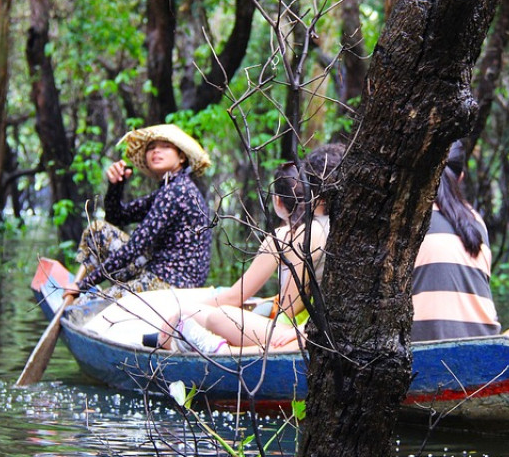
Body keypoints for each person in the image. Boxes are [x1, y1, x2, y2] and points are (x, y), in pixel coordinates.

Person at [160, 143, 346, 353]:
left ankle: (221, 351)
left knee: (217, 316)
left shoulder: (306, 232)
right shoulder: (348, 229)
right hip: (320, 330)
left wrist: (301, 328)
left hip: (313, 335)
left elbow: (288, 307)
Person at [64, 124, 213, 304]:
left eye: (165, 146)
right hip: (157, 274)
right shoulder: (169, 189)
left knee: (85, 305)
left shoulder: (177, 191)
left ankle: (77, 292)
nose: (156, 151)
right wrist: (115, 185)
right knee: (97, 230)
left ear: (181, 156)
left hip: (171, 286)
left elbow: (135, 247)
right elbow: (117, 217)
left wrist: (85, 286)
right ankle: (77, 285)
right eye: (151, 147)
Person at [411, 140, 500, 342]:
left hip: (426, 343)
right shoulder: (476, 221)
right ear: (460, 177)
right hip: (486, 342)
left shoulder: (409, 218)